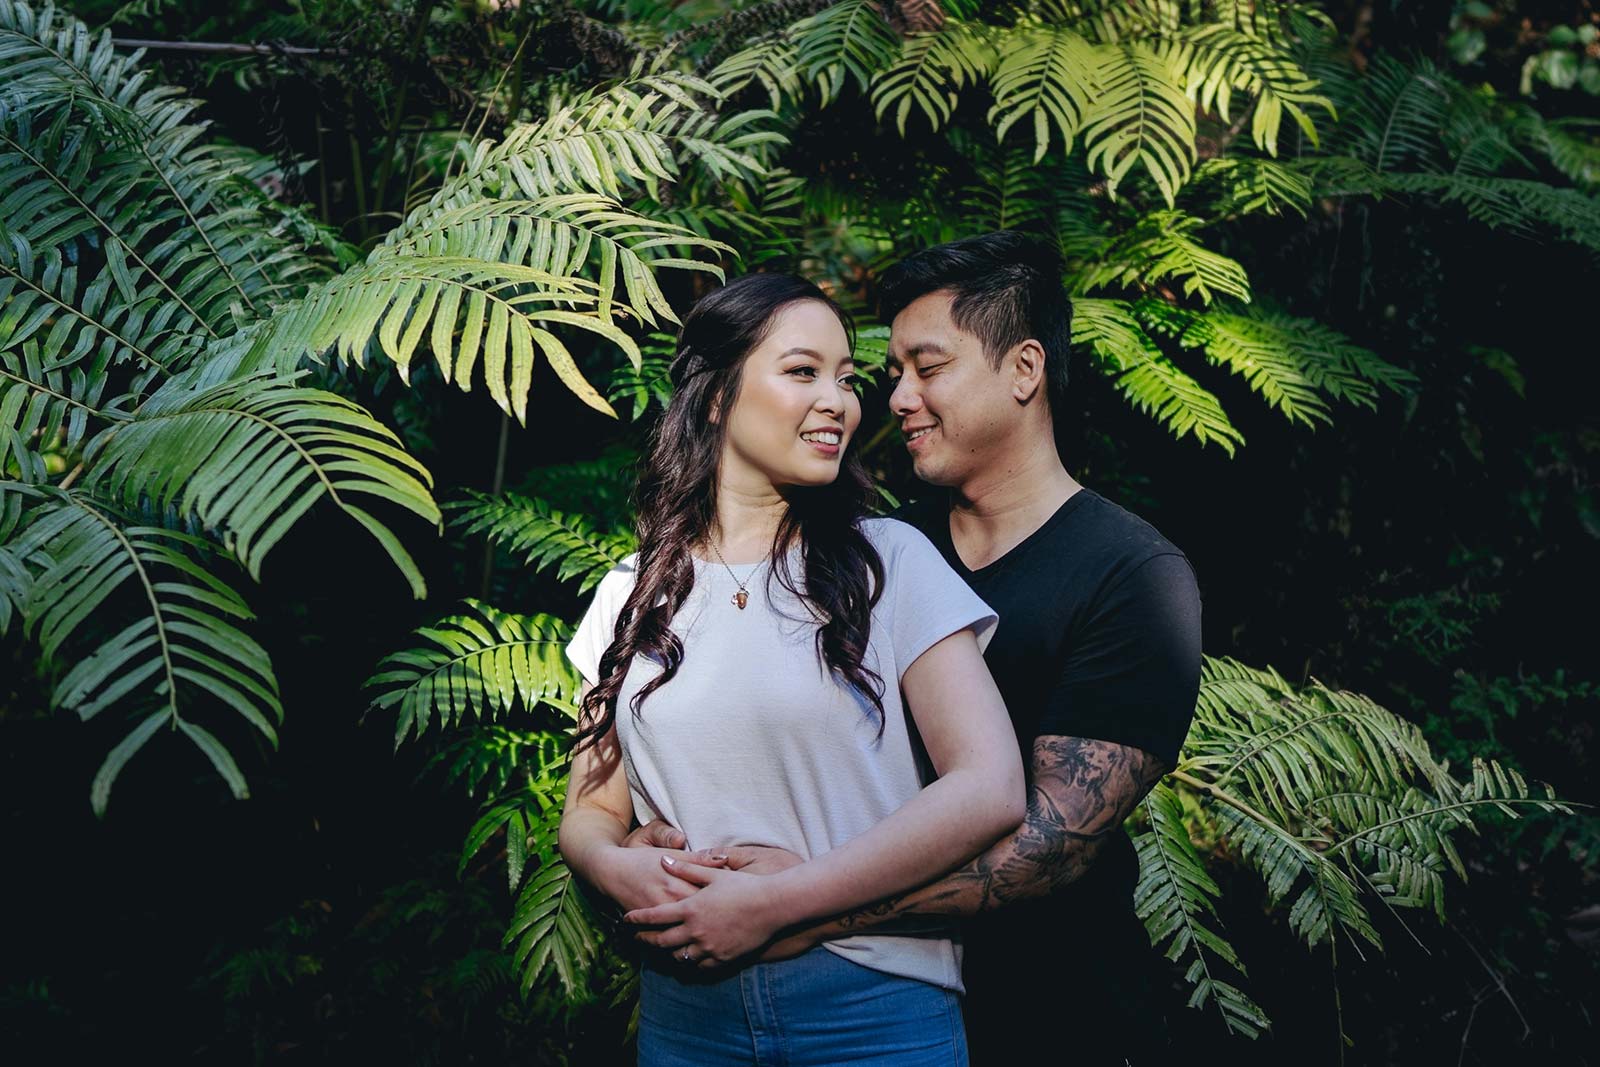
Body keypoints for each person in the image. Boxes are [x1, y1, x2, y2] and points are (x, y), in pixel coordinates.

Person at [631, 234, 1204, 1065]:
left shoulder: (1134, 576)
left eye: (927, 368)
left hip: (1053, 1013)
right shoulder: (870, 552)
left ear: (1024, 369)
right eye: (893, 372)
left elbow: (1051, 846)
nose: (898, 398)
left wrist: (794, 905)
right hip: (844, 1009)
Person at [557, 272, 1027, 1067]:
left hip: (873, 1007)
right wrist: (614, 866)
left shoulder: (891, 564)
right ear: (716, 396)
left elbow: (989, 785)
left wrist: (776, 902)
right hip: (684, 1013)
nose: (838, 401)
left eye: (845, 378)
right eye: (803, 371)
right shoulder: (629, 595)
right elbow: (589, 812)